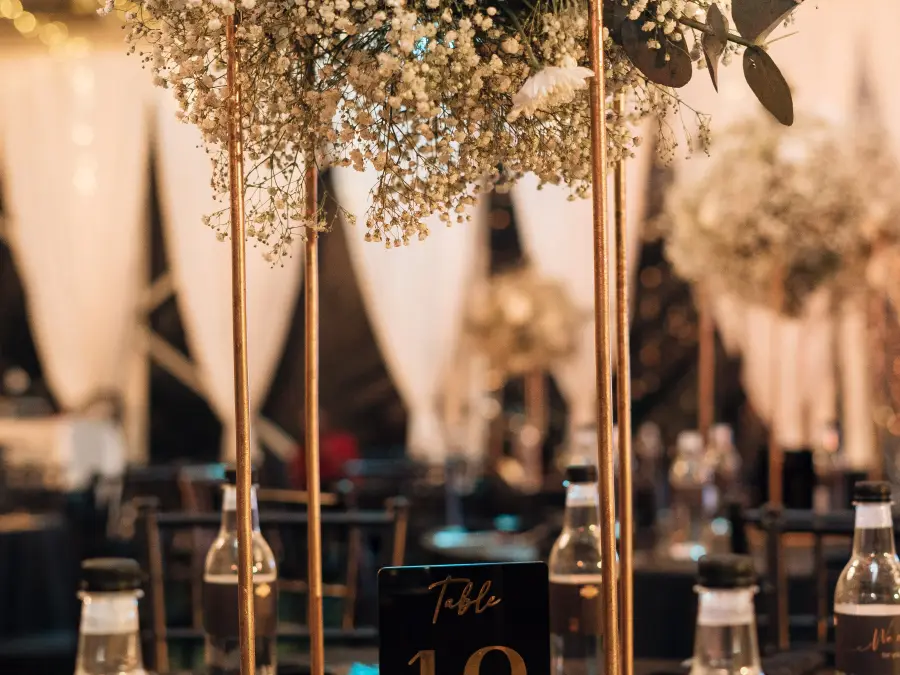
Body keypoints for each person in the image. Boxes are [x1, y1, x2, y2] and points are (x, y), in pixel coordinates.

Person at [291, 410, 360, 490]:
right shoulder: (301, 451)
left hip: (340, 489)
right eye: (304, 422)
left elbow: (351, 470)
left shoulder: (343, 441)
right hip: (312, 490)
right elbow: (298, 479)